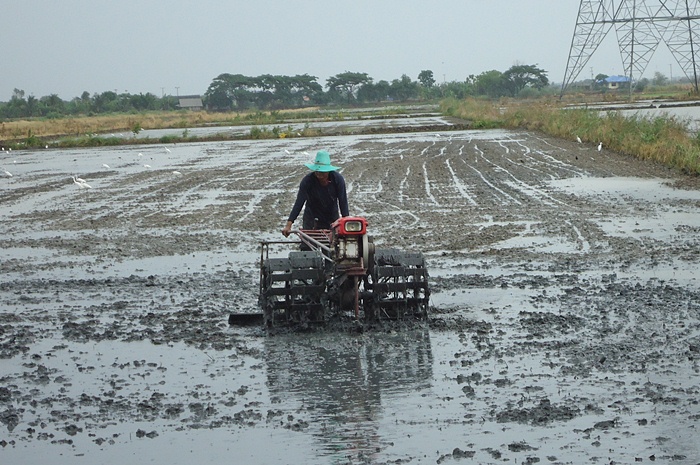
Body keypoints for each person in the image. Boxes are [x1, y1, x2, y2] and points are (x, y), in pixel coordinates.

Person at [282, 150, 349, 237]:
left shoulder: (337, 180)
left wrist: (346, 223)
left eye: (322, 173)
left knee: (332, 246)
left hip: (331, 217)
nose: (319, 175)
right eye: (317, 172)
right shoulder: (307, 181)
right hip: (311, 217)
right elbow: (299, 203)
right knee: (308, 245)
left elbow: (343, 202)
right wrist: (289, 225)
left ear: (328, 171)